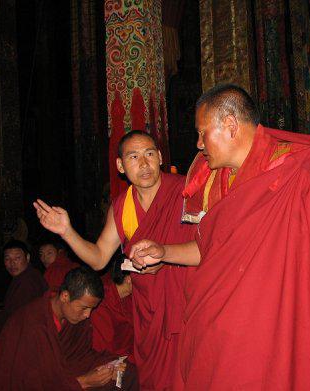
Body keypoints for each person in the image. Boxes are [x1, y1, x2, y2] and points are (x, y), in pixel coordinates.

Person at [129, 84, 310, 389]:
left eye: (203, 133)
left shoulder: (299, 168)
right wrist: (163, 252)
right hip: (222, 337)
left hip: (279, 333)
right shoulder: (215, 180)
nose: (199, 143)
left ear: (230, 126)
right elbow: (208, 250)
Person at [33, 130, 196, 390]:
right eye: (133, 156)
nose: (144, 164)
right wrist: (67, 231)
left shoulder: (186, 191)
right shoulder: (122, 207)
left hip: (186, 306)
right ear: (120, 165)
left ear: (160, 157)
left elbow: (208, 247)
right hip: (148, 313)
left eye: (149, 154)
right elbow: (98, 259)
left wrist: (165, 255)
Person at [0, 267, 138, 390]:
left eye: (92, 309)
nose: (87, 315)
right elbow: (31, 382)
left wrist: (111, 365)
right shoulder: (33, 325)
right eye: (84, 308)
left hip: (64, 373)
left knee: (128, 373)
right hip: (32, 383)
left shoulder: (73, 317)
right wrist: (84, 382)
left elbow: (80, 355)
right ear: (65, 296)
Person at [0, 240, 48, 358]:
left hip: (25, 339)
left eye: (17, 258)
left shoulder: (28, 281)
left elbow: (16, 318)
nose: (12, 263)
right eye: (7, 259)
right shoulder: (23, 276)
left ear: (27, 257)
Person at [91, 257, 134, 361]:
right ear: (129, 279)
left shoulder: (130, 298)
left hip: (128, 356)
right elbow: (104, 347)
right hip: (111, 360)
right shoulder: (102, 301)